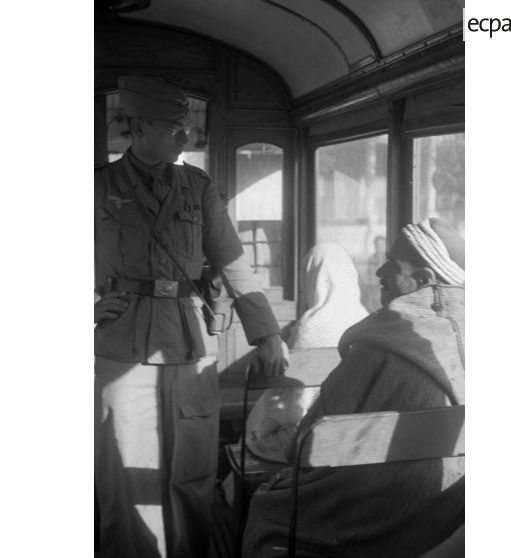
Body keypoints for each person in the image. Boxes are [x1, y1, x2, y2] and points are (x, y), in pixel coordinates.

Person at [94, 75, 288, 558]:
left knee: (192, 472)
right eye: (176, 128)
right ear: (139, 128)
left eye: (187, 128)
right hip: (122, 347)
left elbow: (233, 262)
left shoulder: (197, 188)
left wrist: (266, 332)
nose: (187, 138)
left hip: (189, 342)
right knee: (125, 477)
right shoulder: (96, 186)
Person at [242, 218, 465, 558]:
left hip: (369, 514)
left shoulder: (377, 345)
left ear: (423, 280)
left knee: (265, 507)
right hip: (448, 514)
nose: (378, 272)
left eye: (391, 264)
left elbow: (304, 447)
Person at [245, 242, 368, 463]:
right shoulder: (365, 320)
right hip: (356, 434)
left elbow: (290, 405)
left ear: (313, 279)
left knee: (256, 427)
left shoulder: (309, 327)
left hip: (307, 438)